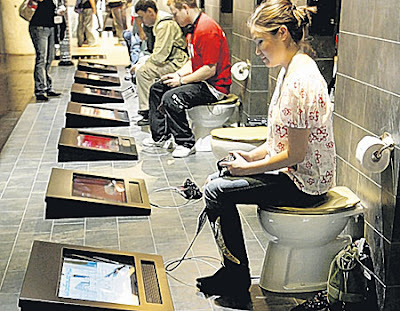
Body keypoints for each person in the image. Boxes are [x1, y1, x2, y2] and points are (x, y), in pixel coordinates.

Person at [196, 0, 335, 309]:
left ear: (282, 33)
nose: (257, 50)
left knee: (217, 191)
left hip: (305, 185)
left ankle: (236, 275)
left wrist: (246, 170)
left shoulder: (298, 82)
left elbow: (294, 155)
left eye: (261, 41)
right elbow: (278, 141)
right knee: (221, 176)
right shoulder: (293, 67)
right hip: (295, 173)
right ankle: (232, 271)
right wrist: (248, 158)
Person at [143, 0, 231, 158]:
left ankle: (186, 142)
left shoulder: (206, 29)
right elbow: (193, 61)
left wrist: (182, 81)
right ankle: (161, 136)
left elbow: (209, 70)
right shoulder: (193, 29)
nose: (175, 18)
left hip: (214, 87)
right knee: (157, 88)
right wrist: (177, 75)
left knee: (172, 98)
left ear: (185, 8)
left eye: (175, 14)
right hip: (202, 81)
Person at [132, 0, 188, 126]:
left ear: (150, 12)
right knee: (143, 67)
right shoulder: (160, 22)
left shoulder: (164, 25)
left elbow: (160, 56)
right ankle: (150, 109)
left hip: (177, 62)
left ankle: (147, 111)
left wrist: (142, 63)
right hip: (171, 59)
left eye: (142, 17)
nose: (141, 21)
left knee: (143, 71)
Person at [29, 0, 66, 101]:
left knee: (50, 57)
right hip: (39, 27)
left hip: (51, 27)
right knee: (42, 58)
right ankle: (40, 90)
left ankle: (48, 86)